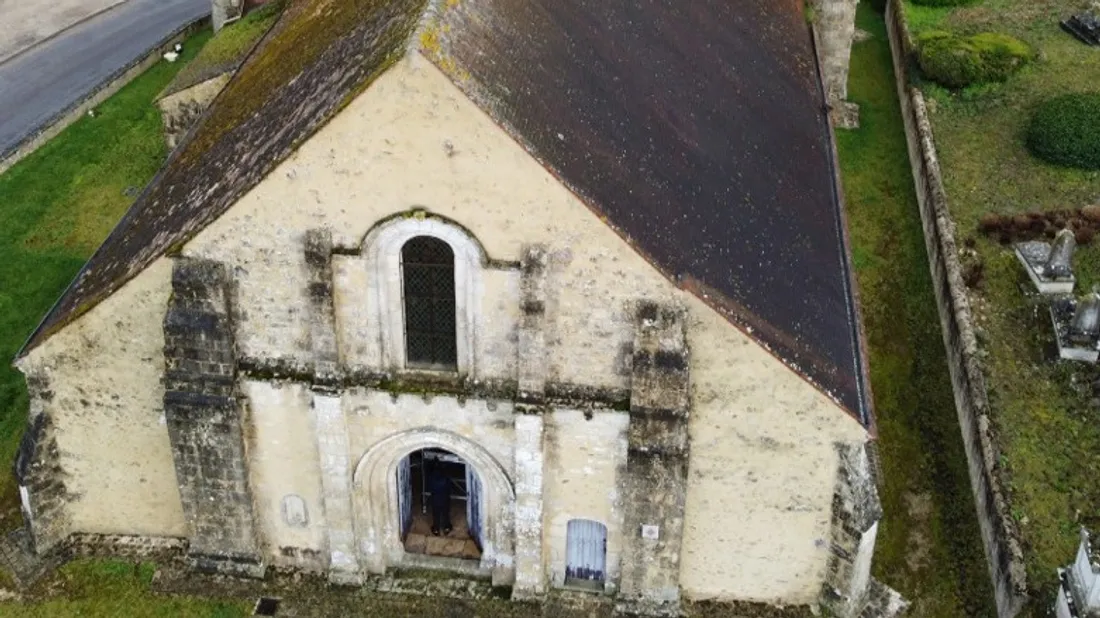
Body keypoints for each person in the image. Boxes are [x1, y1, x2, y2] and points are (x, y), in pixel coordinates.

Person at [427, 465, 453, 536]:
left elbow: (429, 488)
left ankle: (436, 530)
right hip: (445, 498)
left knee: (436, 514)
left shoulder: (431, 478)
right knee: (445, 513)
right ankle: (446, 528)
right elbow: (450, 488)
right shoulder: (445, 478)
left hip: (435, 499)